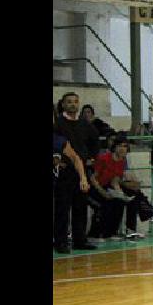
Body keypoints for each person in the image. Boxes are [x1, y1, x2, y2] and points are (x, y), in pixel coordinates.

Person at [93, 135, 153, 239]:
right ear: (115, 147)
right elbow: (93, 178)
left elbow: (116, 180)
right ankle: (149, 213)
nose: (123, 149)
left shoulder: (122, 161)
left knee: (133, 196)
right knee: (119, 200)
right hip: (99, 187)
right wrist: (102, 192)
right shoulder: (104, 158)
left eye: (125, 146)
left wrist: (121, 193)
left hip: (111, 186)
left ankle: (130, 229)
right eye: (121, 146)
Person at [54, 92, 99, 251]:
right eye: (69, 102)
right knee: (62, 208)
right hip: (64, 172)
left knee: (80, 206)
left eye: (75, 102)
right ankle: (60, 242)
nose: (73, 104)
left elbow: (95, 142)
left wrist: (91, 158)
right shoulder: (58, 123)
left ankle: (80, 240)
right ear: (63, 104)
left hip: (81, 171)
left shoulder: (84, 124)